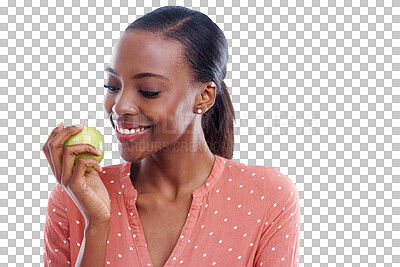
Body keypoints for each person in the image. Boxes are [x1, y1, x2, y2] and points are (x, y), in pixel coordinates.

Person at [42, 6, 300, 267]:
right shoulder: (73, 197)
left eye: (149, 91)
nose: (120, 107)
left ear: (204, 96)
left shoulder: (268, 196)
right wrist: (96, 224)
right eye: (112, 86)